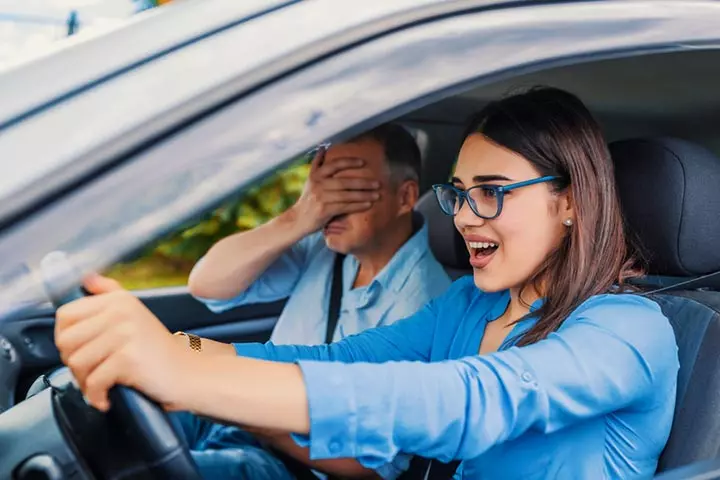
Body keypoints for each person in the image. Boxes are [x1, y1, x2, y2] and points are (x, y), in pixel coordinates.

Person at [54, 87, 679, 480]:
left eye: (491, 194)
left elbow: (468, 402)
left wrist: (185, 375)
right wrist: (178, 348)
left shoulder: (628, 330)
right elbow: (332, 359)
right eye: (459, 194)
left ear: (569, 202)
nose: (462, 217)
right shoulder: (469, 306)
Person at [187, 123, 451, 347]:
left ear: (405, 197)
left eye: (345, 190)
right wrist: (295, 219)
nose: (326, 208)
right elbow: (207, 286)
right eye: (321, 188)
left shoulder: (424, 307)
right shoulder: (322, 249)